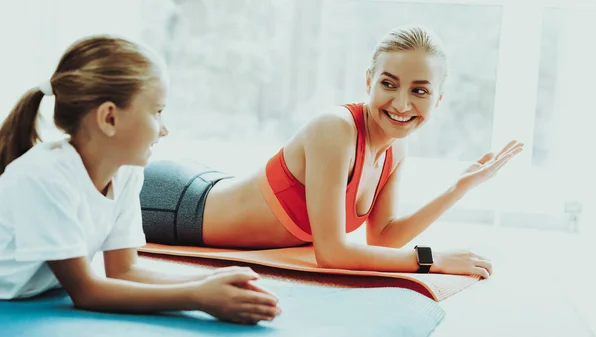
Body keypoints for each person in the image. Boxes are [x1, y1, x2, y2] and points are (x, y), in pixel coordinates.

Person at [141, 25, 523, 279]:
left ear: (438, 99)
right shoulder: (335, 129)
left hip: (203, 186)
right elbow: (332, 253)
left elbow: (383, 239)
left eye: (420, 91)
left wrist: (458, 188)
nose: (402, 104)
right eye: (389, 84)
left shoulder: (395, 148)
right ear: (368, 81)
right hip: (175, 205)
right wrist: (431, 259)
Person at [0, 35, 281, 325]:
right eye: (157, 112)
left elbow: (124, 271)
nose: (164, 129)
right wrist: (198, 297)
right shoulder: (46, 178)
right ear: (109, 118)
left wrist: (211, 280)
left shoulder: (125, 173)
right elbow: (86, 291)